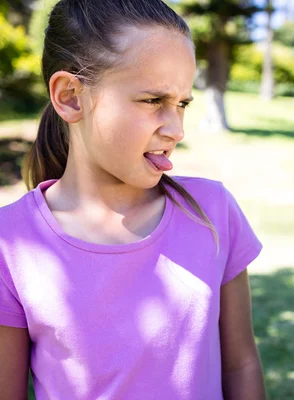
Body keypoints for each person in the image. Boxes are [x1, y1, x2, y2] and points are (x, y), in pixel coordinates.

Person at [0, 1, 266, 399]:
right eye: (153, 101)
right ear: (71, 96)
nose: (176, 129)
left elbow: (241, 364)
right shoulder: (10, 243)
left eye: (183, 104)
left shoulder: (213, 213)